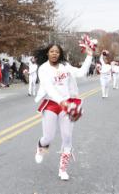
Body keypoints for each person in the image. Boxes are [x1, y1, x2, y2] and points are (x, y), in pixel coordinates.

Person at [34, 43, 93, 181]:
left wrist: (89, 55)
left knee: (67, 137)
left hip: (67, 105)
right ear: (47, 53)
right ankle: (40, 147)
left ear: (60, 54)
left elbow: (81, 72)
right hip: (52, 104)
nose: (54, 53)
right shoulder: (43, 69)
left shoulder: (65, 66)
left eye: (57, 52)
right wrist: (61, 101)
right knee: (48, 137)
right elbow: (49, 88)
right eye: (51, 51)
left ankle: (63, 169)